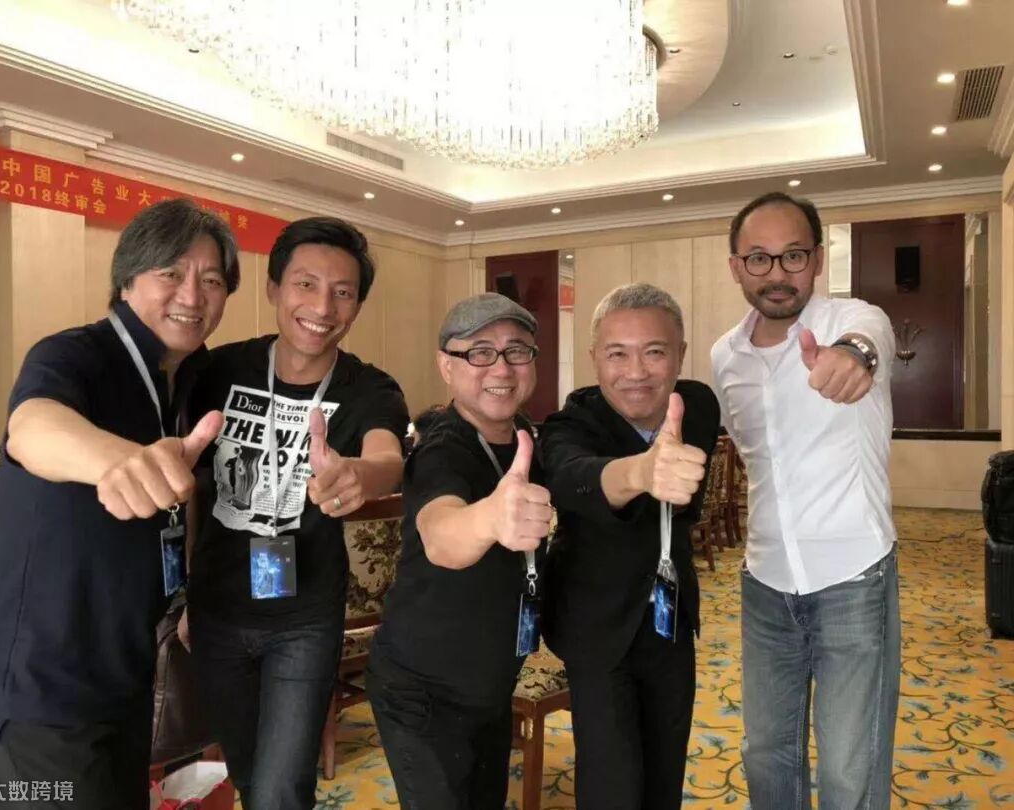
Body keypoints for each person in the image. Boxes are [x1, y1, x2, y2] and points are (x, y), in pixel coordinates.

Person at [0, 199, 240, 810]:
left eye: (212, 280)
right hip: (35, 689)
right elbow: (34, 427)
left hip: (119, 674)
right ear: (127, 279)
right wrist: (119, 461)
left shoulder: (188, 378)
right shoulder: (72, 354)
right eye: (171, 273)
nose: (193, 295)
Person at [183, 216, 408, 810]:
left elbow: (387, 456)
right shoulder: (216, 372)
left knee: (283, 787)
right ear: (274, 288)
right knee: (249, 775)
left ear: (357, 306)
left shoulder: (367, 388)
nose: (323, 307)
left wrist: (359, 474)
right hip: (216, 610)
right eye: (306, 284)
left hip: (304, 620)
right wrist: (181, 598)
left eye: (343, 292)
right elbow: (187, 487)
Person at [710, 192, 899, 809]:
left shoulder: (854, 318)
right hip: (765, 581)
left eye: (792, 256)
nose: (777, 274)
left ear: (816, 258)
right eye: (758, 259)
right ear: (736, 267)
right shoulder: (724, 357)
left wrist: (853, 356)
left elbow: (869, 341)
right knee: (767, 754)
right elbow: (753, 457)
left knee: (848, 766)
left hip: (853, 576)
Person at [367, 293, 553, 810]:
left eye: (516, 350)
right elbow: (440, 533)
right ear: (446, 366)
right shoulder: (441, 446)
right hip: (423, 691)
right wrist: (491, 517)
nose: (501, 367)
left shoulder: (525, 437)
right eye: (480, 352)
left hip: (488, 682)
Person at [540, 283, 719, 809]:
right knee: (612, 783)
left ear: (680, 354)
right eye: (617, 354)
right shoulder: (569, 425)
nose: (635, 372)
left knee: (665, 771)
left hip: (669, 618)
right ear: (595, 357)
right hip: (596, 624)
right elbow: (572, 478)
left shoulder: (696, 406)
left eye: (654, 352)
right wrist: (642, 472)